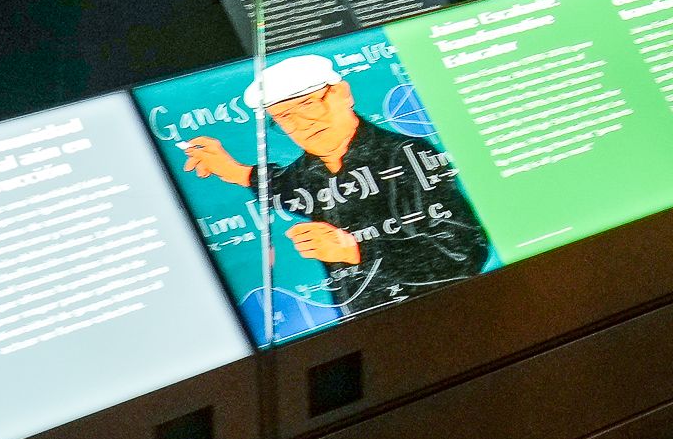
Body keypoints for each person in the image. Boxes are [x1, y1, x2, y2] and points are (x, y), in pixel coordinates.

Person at [176, 54, 491, 320]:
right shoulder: (307, 170)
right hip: (362, 327)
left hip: (444, 317)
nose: (303, 124)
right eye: (285, 116)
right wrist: (233, 171)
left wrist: (355, 250)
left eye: (309, 105)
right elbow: (285, 187)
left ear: (342, 93)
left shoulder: (406, 155)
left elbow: (465, 252)